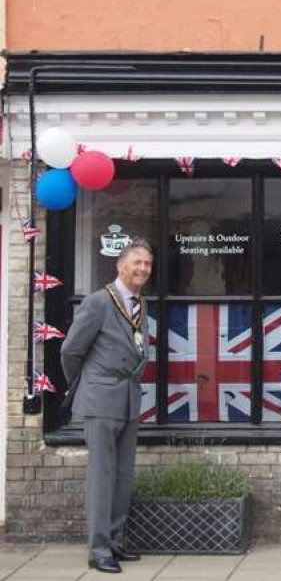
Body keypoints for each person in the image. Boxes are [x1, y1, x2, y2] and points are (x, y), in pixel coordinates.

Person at [61, 240, 153, 573]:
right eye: (137, 263)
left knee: (123, 475)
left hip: (129, 397)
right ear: (120, 266)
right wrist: (87, 383)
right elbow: (70, 351)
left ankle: (115, 541)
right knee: (102, 475)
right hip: (101, 398)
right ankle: (98, 549)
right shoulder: (99, 302)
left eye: (147, 264)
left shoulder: (140, 304)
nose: (142, 268)